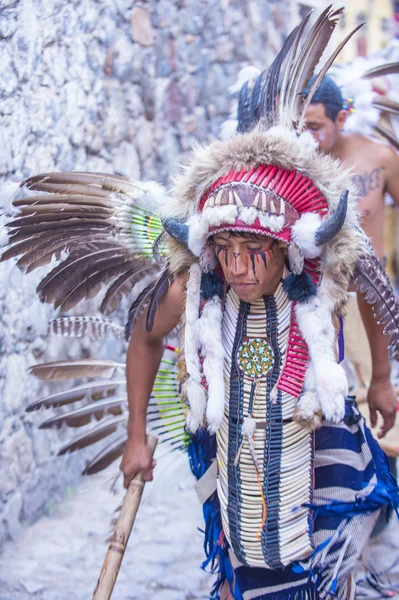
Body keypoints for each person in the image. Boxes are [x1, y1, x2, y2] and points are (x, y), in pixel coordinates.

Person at [303, 75, 399, 443]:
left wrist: (381, 375)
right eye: (300, 127)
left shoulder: (378, 158)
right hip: (310, 318)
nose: (307, 137)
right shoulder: (289, 169)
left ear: (341, 119)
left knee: (382, 439)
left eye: (315, 127)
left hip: (372, 312)